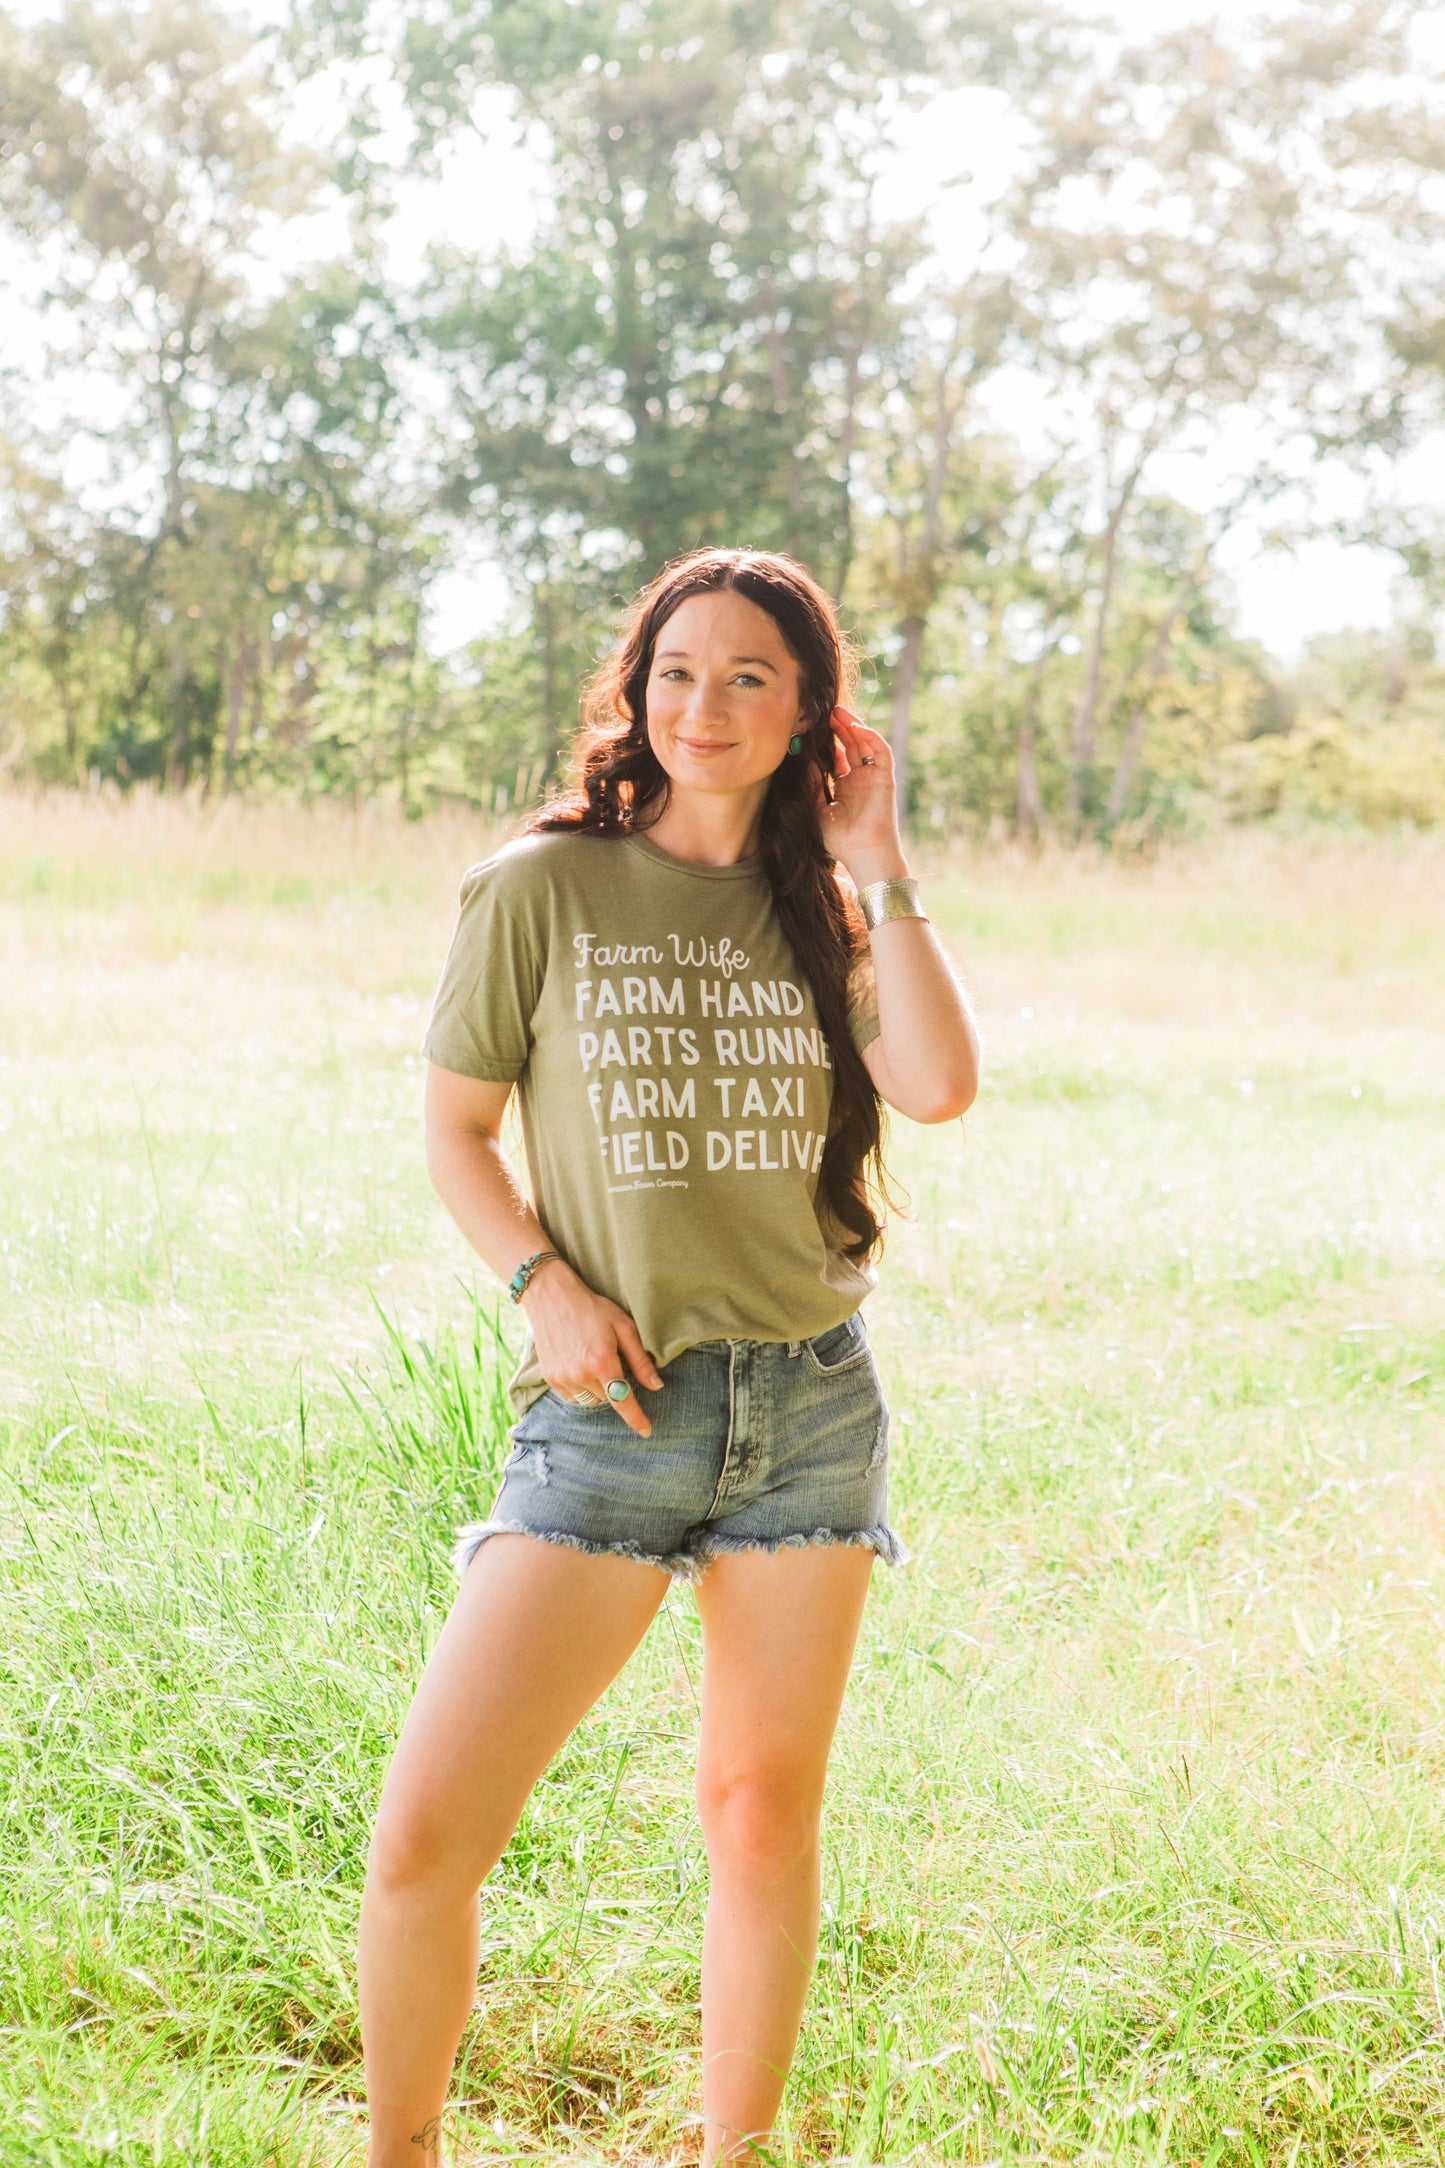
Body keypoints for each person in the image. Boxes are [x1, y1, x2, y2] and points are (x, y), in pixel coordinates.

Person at [357, 547, 980, 2166]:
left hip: (809, 1407)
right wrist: (541, 1285)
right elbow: (453, 1131)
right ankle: (399, 2150)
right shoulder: (540, 886)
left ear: (809, 717)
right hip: (610, 1411)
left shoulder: (825, 909)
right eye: (678, 671)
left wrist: (881, 860)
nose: (704, 705)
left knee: (761, 1815)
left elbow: (934, 1084)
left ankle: (729, 2153)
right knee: (428, 1834)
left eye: (749, 677)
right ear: (635, 692)